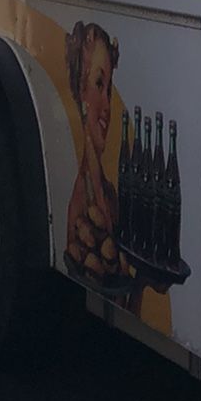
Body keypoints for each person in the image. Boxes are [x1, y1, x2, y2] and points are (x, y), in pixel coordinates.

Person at [64, 20, 123, 287]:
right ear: (80, 89)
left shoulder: (107, 193)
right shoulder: (83, 203)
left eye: (109, 88)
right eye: (98, 84)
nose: (107, 105)